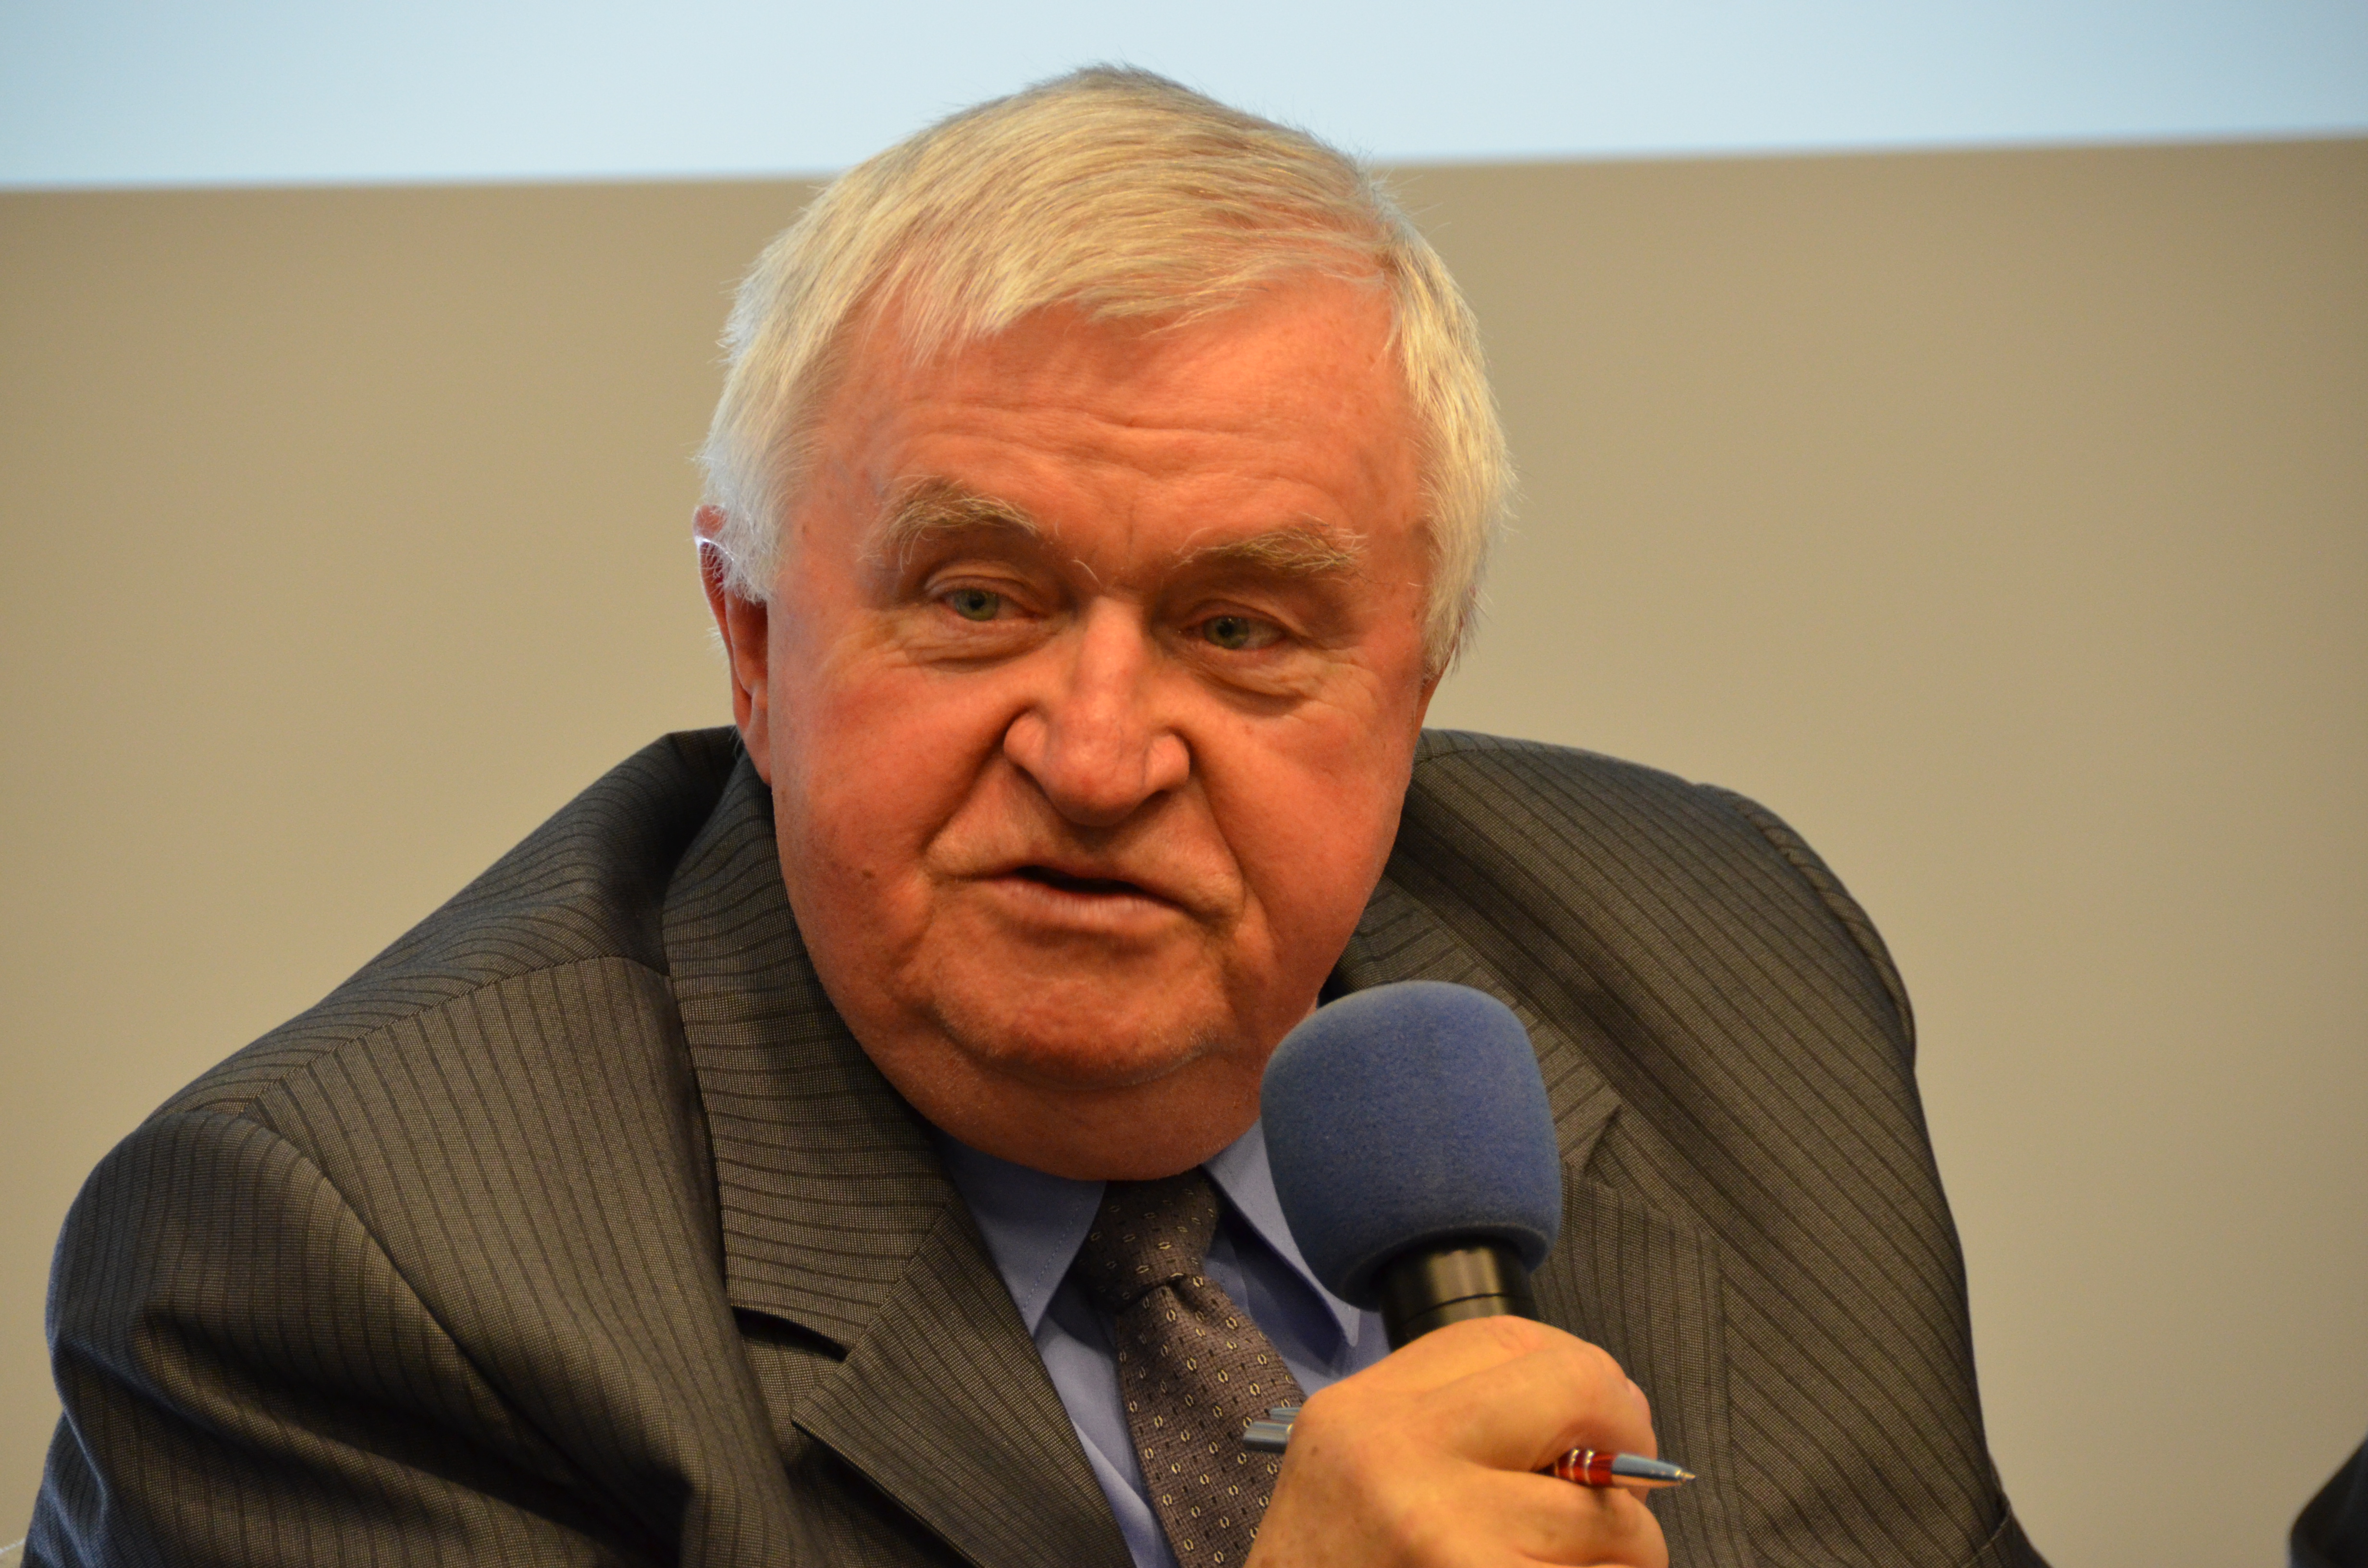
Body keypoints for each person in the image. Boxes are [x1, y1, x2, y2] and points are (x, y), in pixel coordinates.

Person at [29, 68, 2044, 1568]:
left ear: (1415, 693)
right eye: (979, 600)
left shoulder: (1733, 972)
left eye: (1241, 631)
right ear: (753, 645)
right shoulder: (342, 1270)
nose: (1095, 757)